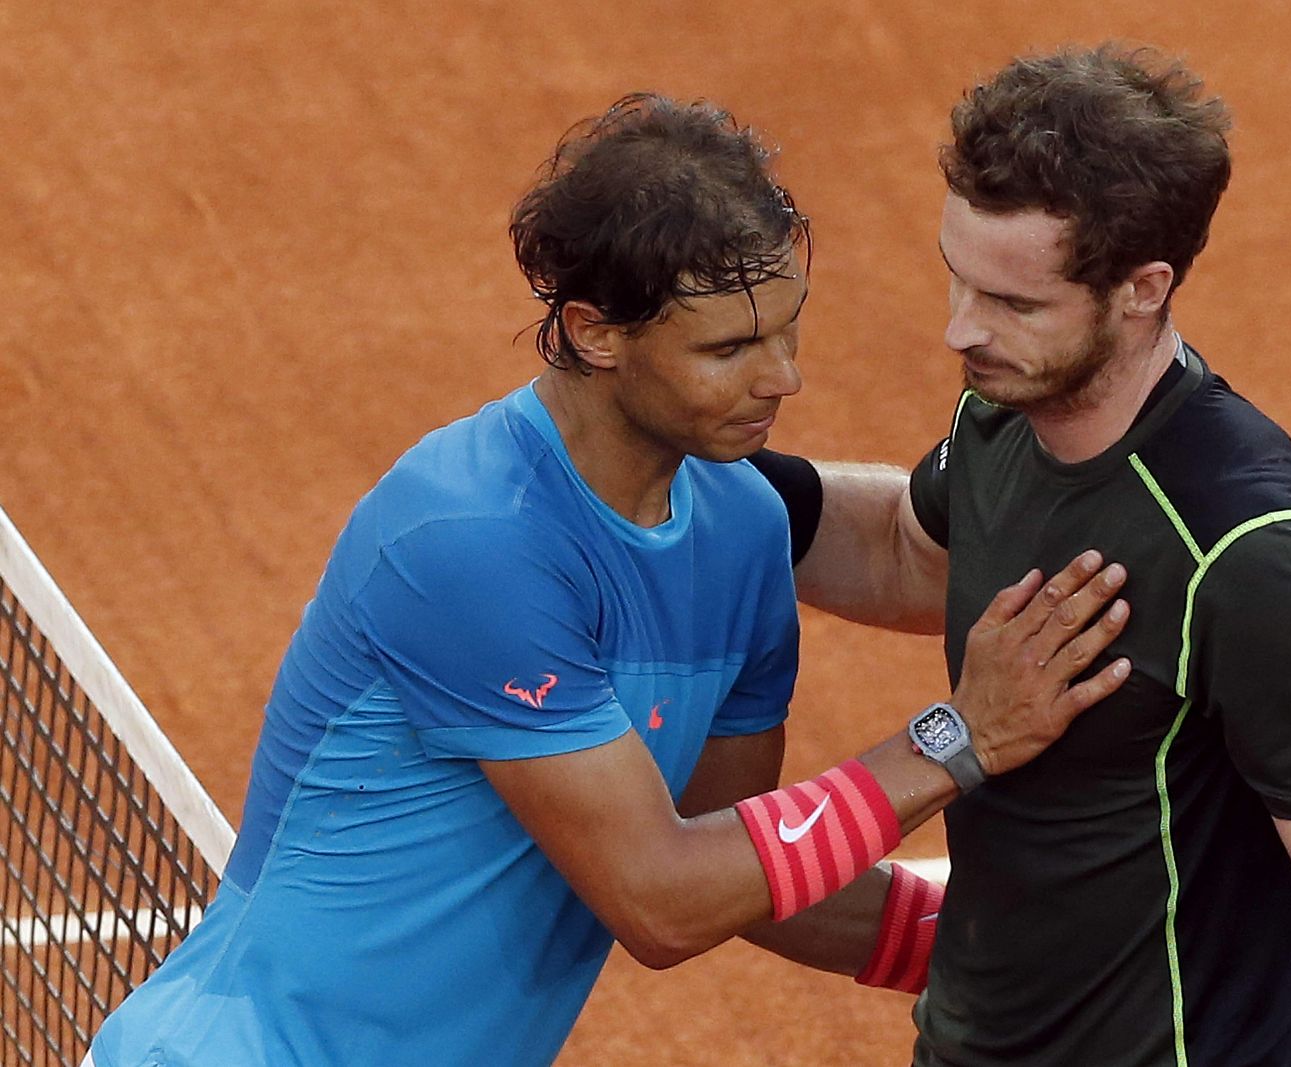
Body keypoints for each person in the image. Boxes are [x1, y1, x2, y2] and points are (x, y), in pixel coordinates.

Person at [85, 94, 1133, 1067]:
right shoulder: (470, 539)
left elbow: (748, 872)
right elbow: (662, 901)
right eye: (727, 346)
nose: (782, 375)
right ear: (594, 331)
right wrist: (957, 738)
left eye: (784, 325)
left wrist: (1029, 962)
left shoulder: (741, 532)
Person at [753, 44, 1291, 1066]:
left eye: (1015, 303)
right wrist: (704, 486)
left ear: (1141, 287)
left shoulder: (1252, 550)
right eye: (959, 279)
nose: (960, 330)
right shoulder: (1005, 414)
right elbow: (910, 549)